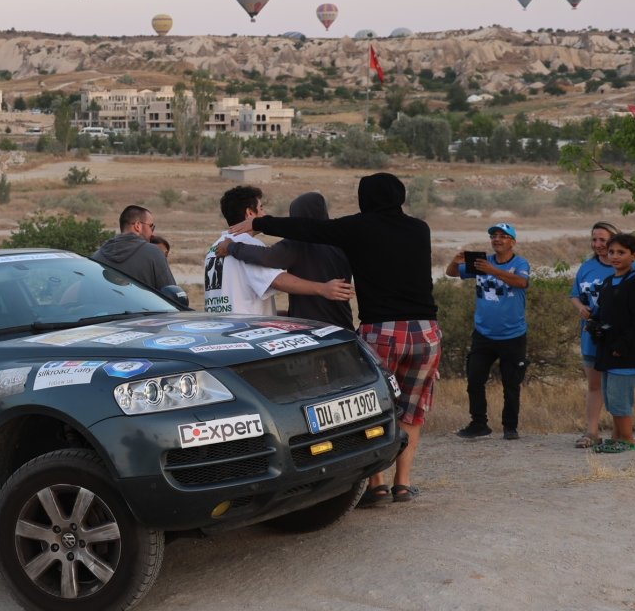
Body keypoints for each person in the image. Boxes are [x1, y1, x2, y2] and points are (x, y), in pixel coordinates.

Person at [248, 173, 440, 506]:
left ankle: (376, 485)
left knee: (374, 408)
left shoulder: (359, 227)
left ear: (366, 198)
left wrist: (260, 223)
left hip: (382, 331)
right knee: (412, 411)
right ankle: (403, 485)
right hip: (426, 331)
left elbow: (309, 229)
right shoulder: (419, 229)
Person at [203, 186, 354, 316]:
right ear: (250, 213)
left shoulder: (215, 247)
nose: (265, 214)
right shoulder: (246, 244)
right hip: (246, 334)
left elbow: (238, 298)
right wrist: (323, 289)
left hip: (220, 331)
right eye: (261, 208)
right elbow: (278, 280)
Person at [448, 223, 531, 440]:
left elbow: (521, 282)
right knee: (474, 380)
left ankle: (510, 427)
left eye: (503, 236)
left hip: (512, 336)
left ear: (512, 242)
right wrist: (456, 261)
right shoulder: (481, 262)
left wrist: (492, 270)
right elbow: (451, 273)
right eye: (494, 236)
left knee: (511, 384)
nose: (497, 239)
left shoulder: (520, 263)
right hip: (483, 334)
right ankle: (478, 424)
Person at [591, 233, 635, 453]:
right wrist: (595, 325)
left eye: (621, 252)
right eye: (611, 252)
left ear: (634, 256)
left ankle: (627, 440)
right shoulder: (609, 282)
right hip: (607, 350)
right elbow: (604, 314)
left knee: (620, 399)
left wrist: (622, 346)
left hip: (625, 354)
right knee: (611, 398)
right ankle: (616, 437)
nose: (615, 256)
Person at [570, 222, 619, 448]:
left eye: (603, 240)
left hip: (618, 336)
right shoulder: (586, 267)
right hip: (591, 334)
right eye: (594, 240)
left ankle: (621, 433)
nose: (598, 244)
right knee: (594, 384)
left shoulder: (628, 266)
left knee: (618, 384)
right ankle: (592, 432)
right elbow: (575, 295)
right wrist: (580, 306)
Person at [89, 204, 176, 294]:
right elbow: (173, 295)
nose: (152, 233)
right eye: (151, 226)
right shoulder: (153, 253)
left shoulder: (97, 256)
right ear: (138, 226)